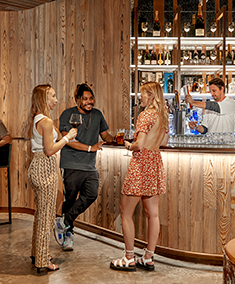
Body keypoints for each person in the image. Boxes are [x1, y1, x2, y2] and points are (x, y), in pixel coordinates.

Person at [110, 81, 168, 272]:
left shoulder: (145, 115)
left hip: (141, 164)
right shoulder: (162, 115)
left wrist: (129, 145)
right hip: (155, 163)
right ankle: (148, 257)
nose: (139, 97)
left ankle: (129, 258)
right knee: (153, 214)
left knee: (126, 212)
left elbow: (140, 145)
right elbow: (164, 141)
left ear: (151, 96)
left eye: (142, 94)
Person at [54, 83, 114, 251]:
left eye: (91, 98)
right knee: (70, 199)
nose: (89, 102)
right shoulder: (67, 114)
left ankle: (64, 221)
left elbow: (105, 135)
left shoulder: (97, 114)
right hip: (71, 163)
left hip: (89, 165)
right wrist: (90, 148)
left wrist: (118, 139)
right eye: (85, 99)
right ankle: (68, 235)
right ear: (77, 99)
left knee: (91, 193)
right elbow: (68, 140)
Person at [27, 84, 77, 273]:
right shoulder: (46, 121)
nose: (56, 100)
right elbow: (49, 150)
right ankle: (42, 260)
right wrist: (67, 138)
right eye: (53, 96)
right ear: (43, 98)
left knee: (41, 215)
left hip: (37, 166)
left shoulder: (37, 118)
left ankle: (37, 254)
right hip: (44, 167)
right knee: (46, 217)